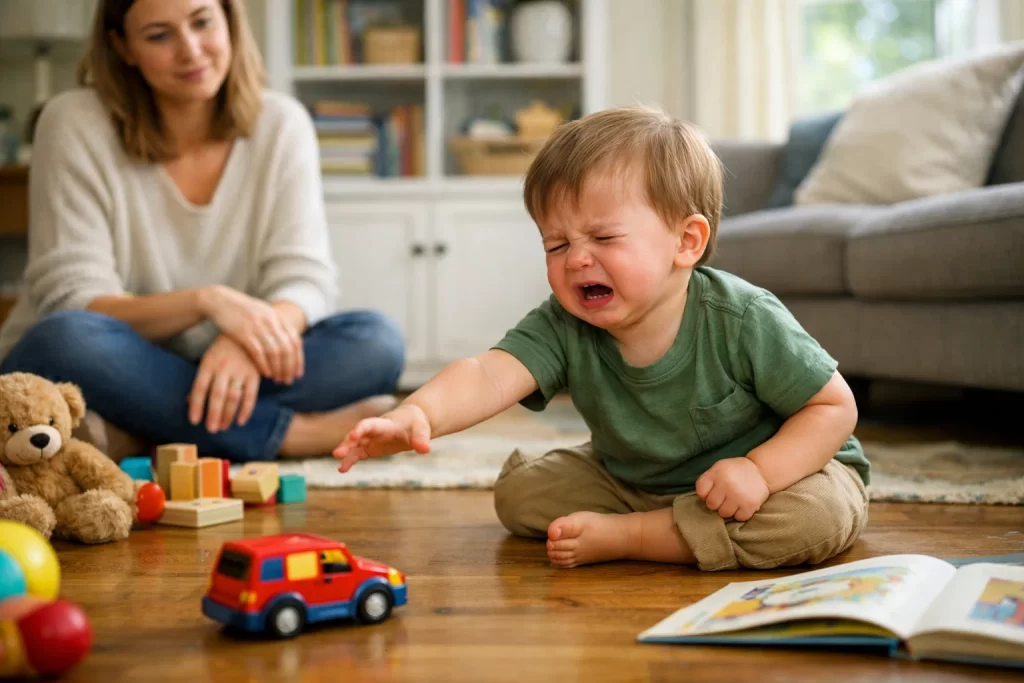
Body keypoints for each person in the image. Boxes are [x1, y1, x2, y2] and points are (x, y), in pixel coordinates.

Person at [332, 106, 872, 571]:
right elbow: (488, 375)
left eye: (603, 237)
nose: (577, 259)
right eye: (556, 245)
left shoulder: (743, 317)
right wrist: (418, 413)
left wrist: (759, 471)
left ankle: (639, 536)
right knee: (520, 496)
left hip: (779, 476)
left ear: (686, 241)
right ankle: (676, 525)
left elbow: (832, 407)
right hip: (638, 481)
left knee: (815, 516)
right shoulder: (564, 324)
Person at [0, 0, 405, 463]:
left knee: (376, 343)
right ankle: (288, 434)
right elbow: (74, 299)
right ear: (122, 46)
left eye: (202, 22)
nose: (191, 50)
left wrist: (244, 341)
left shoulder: (282, 124)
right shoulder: (72, 121)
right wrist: (208, 302)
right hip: (106, 356)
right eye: (159, 35)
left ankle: (143, 429)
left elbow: (304, 280)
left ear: (229, 21)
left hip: (216, 367)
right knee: (65, 340)